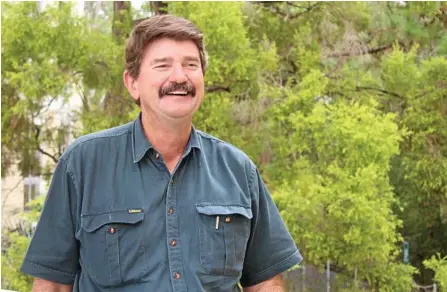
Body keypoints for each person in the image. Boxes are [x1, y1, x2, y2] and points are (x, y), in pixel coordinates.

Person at [20, 14, 302, 292]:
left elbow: (266, 281)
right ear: (132, 83)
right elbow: (53, 284)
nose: (179, 77)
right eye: (162, 65)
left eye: (190, 65)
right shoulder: (82, 164)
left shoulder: (238, 169)